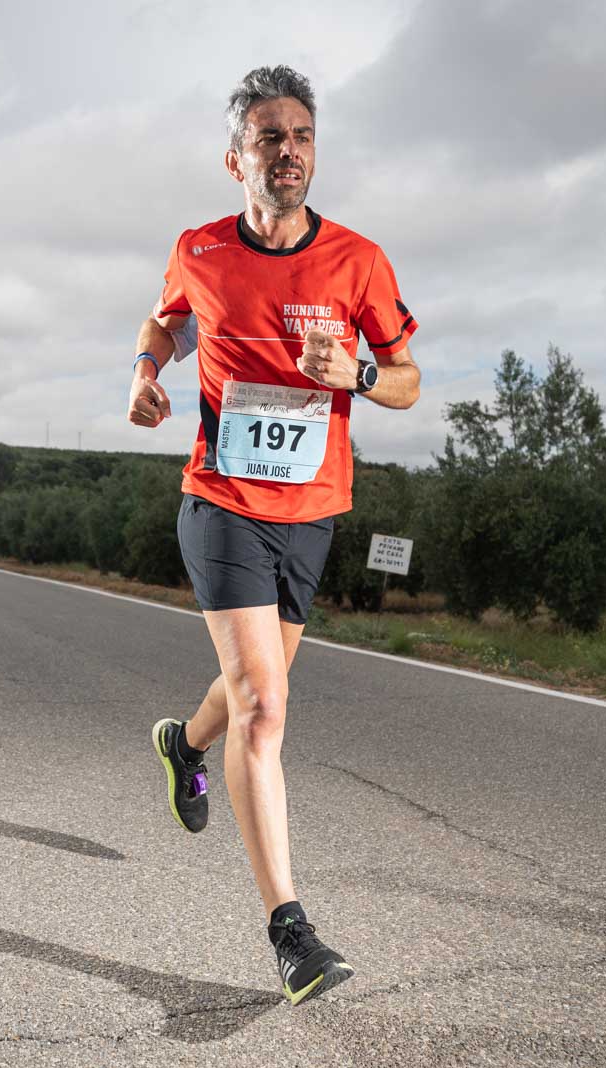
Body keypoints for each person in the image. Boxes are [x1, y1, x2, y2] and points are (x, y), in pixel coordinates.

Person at [127, 65, 421, 1005]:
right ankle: (290, 933)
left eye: (300, 135)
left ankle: (185, 747)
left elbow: (408, 376)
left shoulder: (360, 261)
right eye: (268, 137)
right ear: (236, 159)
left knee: (259, 690)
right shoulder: (200, 249)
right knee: (267, 708)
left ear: (313, 153)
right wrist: (145, 372)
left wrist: (361, 377)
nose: (286, 150)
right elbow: (165, 323)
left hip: (314, 510)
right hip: (221, 502)